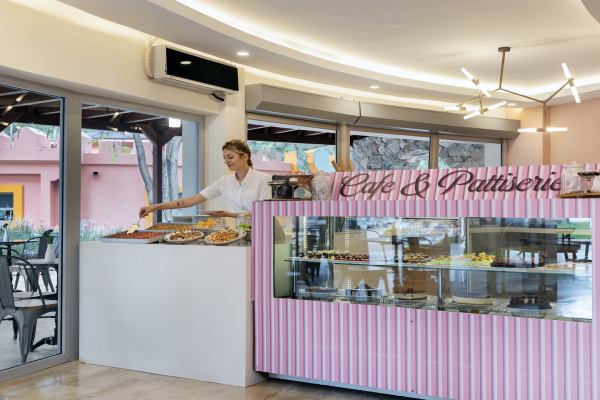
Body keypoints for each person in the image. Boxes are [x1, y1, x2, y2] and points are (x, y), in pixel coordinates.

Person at [139, 140, 271, 219]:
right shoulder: (225, 181)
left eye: (230, 157)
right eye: (224, 157)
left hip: (266, 233)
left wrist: (228, 215)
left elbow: (264, 213)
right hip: (241, 233)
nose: (226, 161)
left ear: (244, 157)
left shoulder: (264, 179)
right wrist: (156, 207)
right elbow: (190, 201)